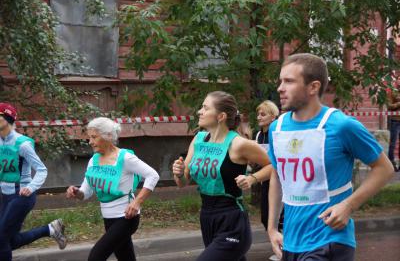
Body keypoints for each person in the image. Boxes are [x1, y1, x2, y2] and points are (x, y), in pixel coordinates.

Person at [267, 53, 395, 261]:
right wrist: (272, 229)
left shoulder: (341, 125)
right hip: (291, 241)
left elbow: (384, 168)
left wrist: (348, 205)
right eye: (280, 81)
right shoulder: (277, 127)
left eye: (289, 81)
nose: (280, 88)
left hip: (330, 239)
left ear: (313, 87)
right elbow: (277, 175)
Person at [172, 91, 271, 261]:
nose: (199, 112)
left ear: (221, 116)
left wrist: (252, 178)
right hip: (207, 216)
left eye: (205, 108)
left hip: (232, 219)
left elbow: (273, 165)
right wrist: (180, 173)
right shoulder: (199, 139)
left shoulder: (238, 144)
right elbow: (182, 182)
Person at [66, 117, 160, 261]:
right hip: (108, 218)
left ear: (108, 136)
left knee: (95, 256)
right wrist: (76, 192)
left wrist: (137, 202)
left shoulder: (125, 158)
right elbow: (86, 192)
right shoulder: (93, 160)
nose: (90, 142)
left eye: (94, 137)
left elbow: (153, 175)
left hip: (126, 217)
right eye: (89, 137)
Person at [0, 103, 66, 261]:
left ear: (7, 119)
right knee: (10, 240)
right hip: (6, 196)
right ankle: (50, 229)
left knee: (1, 240)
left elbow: (42, 170)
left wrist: (31, 187)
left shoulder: (22, 144)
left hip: (22, 197)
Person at [253, 100, 282, 261]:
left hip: (277, 179)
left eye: (263, 114)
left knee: (280, 214)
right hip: (265, 181)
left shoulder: (276, 132)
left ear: (273, 117)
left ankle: (284, 248)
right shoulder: (258, 135)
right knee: (266, 215)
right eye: (258, 114)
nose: (259, 117)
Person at [387, 80, 400, 171]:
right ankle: (391, 163)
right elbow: (389, 106)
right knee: (393, 143)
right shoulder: (393, 93)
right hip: (395, 120)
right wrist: (398, 103)